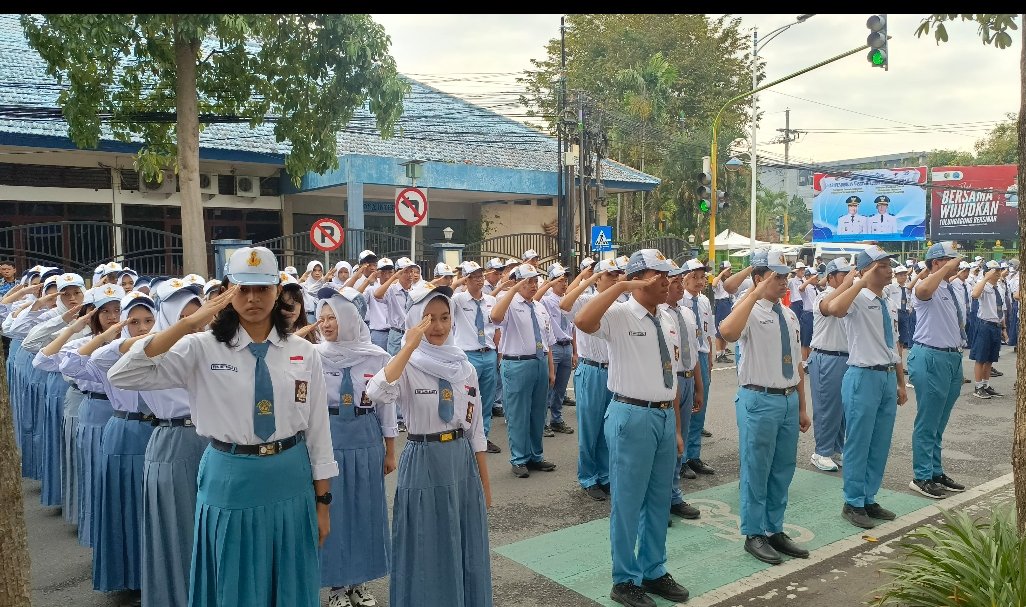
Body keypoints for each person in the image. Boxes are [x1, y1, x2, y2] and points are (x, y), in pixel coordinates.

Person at [107, 246, 338, 607]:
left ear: (277, 291)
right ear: (229, 292)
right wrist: (187, 324)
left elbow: (318, 431)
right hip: (230, 478)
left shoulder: (303, 351)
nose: (252, 298)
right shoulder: (202, 347)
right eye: (242, 289)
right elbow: (123, 374)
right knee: (234, 579)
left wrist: (322, 502)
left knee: (288, 580)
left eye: (261, 289)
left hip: (289, 477)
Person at [366, 283, 493, 607]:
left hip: (460, 462)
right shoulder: (408, 365)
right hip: (423, 459)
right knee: (426, 544)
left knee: (463, 544)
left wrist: (485, 486)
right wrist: (408, 347)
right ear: (414, 321)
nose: (437, 327)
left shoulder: (464, 367)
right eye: (428, 319)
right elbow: (376, 392)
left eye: (444, 318)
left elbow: (476, 431)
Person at [574, 249, 689, 607]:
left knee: (658, 500)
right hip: (631, 414)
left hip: (663, 416)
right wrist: (622, 284)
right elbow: (582, 321)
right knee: (627, 501)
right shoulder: (620, 314)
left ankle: (654, 569)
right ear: (641, 278)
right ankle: (624, 578)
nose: (668, 282)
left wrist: (678, 428)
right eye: (660, 275)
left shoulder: (667, 318)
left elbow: (668, 374)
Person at [717, 247, 811, 566]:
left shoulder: (789, 314)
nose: (784, 282)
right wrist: (754, 294)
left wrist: (801, 406)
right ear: (759, 278)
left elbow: (797, 363)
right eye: (776, 276)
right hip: (759, 398)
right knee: (756, 468)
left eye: (786, 276)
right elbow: (727, 331)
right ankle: (753, 532)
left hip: (787, 399)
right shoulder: (750, 310)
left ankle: (774, 528)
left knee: (783, 469)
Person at [60, 290, 157, 596]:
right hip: (123, 432)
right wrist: (113, 336)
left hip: (156, 434)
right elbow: (71, 367)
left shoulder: (166, 351)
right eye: (134, 320)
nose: (142, 327)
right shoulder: (109, 355)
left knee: (154, 509)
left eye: (149, 320)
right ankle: (128, 576)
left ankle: (155, 575)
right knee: (125, 506)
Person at [313, 287, 395, 607]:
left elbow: (386, 408)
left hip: (365, 438)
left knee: (364, 510)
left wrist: (389, 450)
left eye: (332, 317)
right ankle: (336, 587)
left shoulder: (376, 356)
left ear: (348, 318)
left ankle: (359, 583)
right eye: (322, 318)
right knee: (332, 511)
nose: (327, 324)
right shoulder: (315, 357)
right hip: (330, 437)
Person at [131, 278, 208, 607]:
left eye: (197, 319)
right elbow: (113, 367)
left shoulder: (214, 352)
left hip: (214, 442)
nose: (192, 328)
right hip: (174, 441)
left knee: (211, 531)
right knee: (180, 533)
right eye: (183, 321)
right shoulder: (152, 356)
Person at [824, 246, 907, 529]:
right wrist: (858, 279)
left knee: (879, 442)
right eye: (883, 265)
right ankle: (853, 501)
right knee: (858, 442)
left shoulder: (888, 301)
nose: (890, 269)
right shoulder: (856, 297)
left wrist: (899, 381)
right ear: (869, 269)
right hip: (862, 375)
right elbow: (834, 309)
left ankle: (869, 497)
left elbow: (892, 342)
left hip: (885, 377)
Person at [907, 241, 966, 499]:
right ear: (936, 262)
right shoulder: (927, 286)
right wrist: (941, 270)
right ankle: (921, 476)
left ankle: (935, 470)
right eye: (949, 260)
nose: (956, 264)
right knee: (928, 419)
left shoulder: (952, 288)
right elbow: (922, 290)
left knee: (940, 420)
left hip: (951, 358)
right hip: (931, 356)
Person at [560, 258, 622, 501]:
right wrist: (592, 278)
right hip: (591, 369)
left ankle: (605, 475)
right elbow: (565, 304)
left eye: (618, 275)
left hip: (614, 370)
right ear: (598, 279)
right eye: (610, 275)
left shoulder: (621, 303)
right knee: (590, 427)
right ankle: (588, 477)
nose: (616, 279)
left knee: (609, 427)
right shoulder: (585, 300)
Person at [490, 264, 557, 478]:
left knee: (538, 413)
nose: (533, 284)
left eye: (535, 280)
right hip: (516, 363)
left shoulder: (539, 307)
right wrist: (512, 289)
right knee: (518, 415)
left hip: (539, 363)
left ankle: (535, 456)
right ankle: (519, 459)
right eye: (527, 281)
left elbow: (547, 341)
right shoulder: (509, 304)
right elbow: (495, 317)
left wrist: (550, 369)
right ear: (518, 283)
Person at [663, 261, 704, 522]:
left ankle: (674, 495)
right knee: (668, 440)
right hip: (670, 381)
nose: (679, 287)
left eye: (681, 281)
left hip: (688, 379)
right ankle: (660, 497)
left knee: (682, 439)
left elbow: (695, 351)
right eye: (674, 282)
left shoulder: (687, 313)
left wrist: (699, 386)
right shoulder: (660, 315)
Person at [451, 260, 503, 454]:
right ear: (466, 279)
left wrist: (497, 352)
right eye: (473, 276)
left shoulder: (491, 300)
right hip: (467, 355)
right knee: (465, 398)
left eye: (481, 276)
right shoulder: (458, 299)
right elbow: (443, 299)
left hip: (488, 353)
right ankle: (464, 435)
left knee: (487, 400)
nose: (479, 280)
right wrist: (457, 283)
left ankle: (483, 437)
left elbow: (495, 327)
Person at [807, 259, 852, 472]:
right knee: (827, 407)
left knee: (842, 409)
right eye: (843, 275)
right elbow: (828, 309)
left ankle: (835, 449)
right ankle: (821, 452)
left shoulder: (848, 297)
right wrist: (851, 282)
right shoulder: (823, 296)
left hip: (847, 357)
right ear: (831, 277)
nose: (848, 279)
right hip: (827, 356)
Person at [680, 259, 715, 478]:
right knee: (684, 410)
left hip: (701, 356)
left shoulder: (704, 302)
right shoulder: (676, 301)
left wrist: (710, 359)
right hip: (684, 358)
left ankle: (694, 455)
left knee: (699, 408)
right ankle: (681, 458)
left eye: (703, 277)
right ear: (683, 278)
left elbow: (708, 332)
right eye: (694, 277)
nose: (700, 281)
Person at [536, 262, 575, 436]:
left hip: (567, 347)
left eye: (565, 280)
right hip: (554, 348)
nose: (564, 283)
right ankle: (543, 423)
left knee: (561, 388)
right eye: (560, 280)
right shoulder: (545, 300)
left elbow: (573, 328)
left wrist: (575, 352)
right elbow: (534, 299)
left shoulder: (570, 300)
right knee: (548, 387)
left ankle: (557, 419)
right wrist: (548, 285)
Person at [970, 260, 1005, 399]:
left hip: (996, 325)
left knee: (990, 358)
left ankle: (986, 384)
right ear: (987, 273)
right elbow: (974, 295)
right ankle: (978, 387)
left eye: (998, 271)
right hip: (985, 325)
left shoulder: (999, 288)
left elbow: (1002, 310)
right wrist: (985, 278)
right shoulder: (983, 286)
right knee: (980, 357)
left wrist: (1004, 327)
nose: (997, 273)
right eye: (994, 271)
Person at [375, 257, 418, 356]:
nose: (410, 275)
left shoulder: (416, 290)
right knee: (394, 364)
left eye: (411, 271)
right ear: (398, 273)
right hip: (397, 333)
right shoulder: (391, 289)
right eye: (405, 271)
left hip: (412, 333)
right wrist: (393, 278)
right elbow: (377, 294)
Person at [887, 265, 914, 385]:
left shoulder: (907, 287)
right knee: (895, 339)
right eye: (900, 274)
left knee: (902, 341)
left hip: (905, 313)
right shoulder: (891, 286)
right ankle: (895, 363)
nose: (903, 276)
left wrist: (909, 309)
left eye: (904, 274)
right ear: (896, 275)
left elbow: (909, 300)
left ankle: (899, 363)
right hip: (896, 312)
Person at [787, 263, 817, 363]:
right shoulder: (792, 280)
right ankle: (803, 360)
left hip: (804, 304)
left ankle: (807, 359)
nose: (802, 271)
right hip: (796, 304)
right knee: (798, 328)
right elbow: (787, 283)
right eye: (800, 270)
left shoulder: (807, 282)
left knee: (809, 337)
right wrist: (793, 273)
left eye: (803, 269)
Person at [366, 258, 395, 350]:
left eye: (390, 272)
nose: (387, 276)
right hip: (379, 334)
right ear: (377, 274)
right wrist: (367, 281)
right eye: (383, 272)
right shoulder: (371, 289)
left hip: (395, 333)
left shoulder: (398, 289)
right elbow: (357, 300)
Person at [712, 261, 734, 362]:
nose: (730, 271)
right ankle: (718, 354)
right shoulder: (718, 280)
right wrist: (722, 272)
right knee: (719, 330)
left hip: (728, 303)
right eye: (728, 270)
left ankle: (723, 353)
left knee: (727, 329)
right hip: (721, 304)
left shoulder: (728, 280)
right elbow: (714, 283)